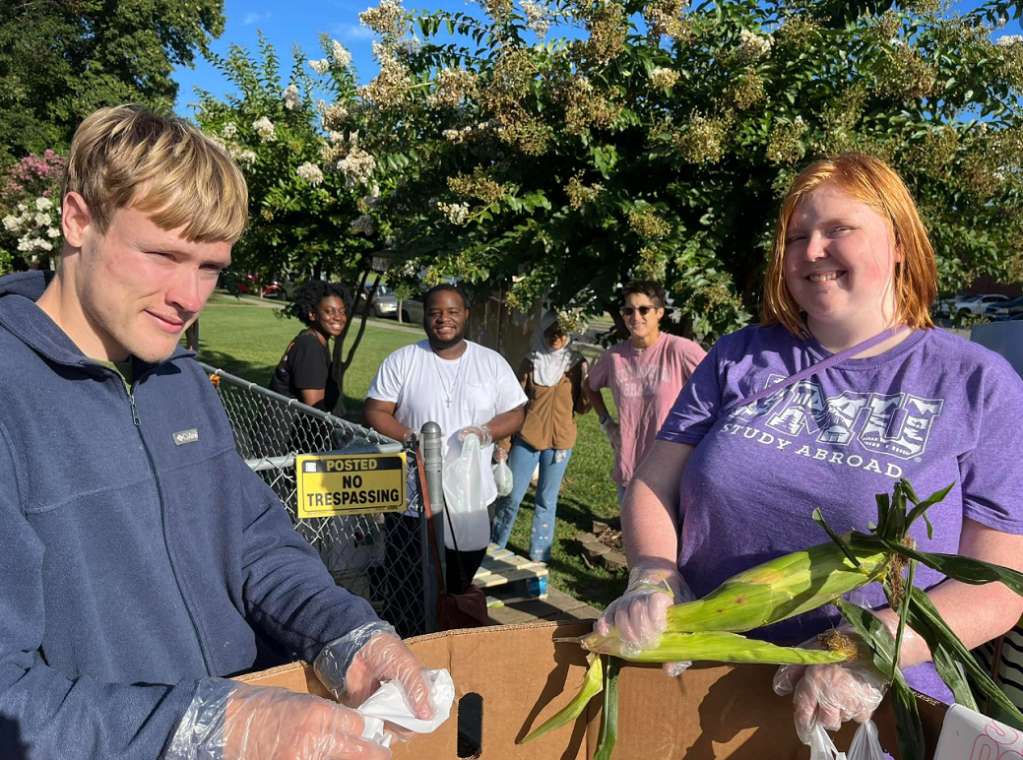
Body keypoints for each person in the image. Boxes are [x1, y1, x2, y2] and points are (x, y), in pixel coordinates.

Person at [0, 105, 434, 760]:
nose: (190, 297)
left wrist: (347, 635)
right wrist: (205, 727)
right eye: (163, 255)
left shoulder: (180, 376)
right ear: (78, 220)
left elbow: (251, 542)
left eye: (210, 266)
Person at [595, 153, 1023, 744]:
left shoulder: (977, 383)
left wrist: (870, 647)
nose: (811, 251)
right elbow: (653, 481)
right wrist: (653, 573)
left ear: (900, 243)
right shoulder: (739, 356)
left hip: (867, 712)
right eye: (796, 237)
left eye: (837, 229)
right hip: (699, 688)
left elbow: (999, 581)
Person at [363, 283, 526, 592]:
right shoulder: (403, 360)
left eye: (452, 311)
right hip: (414, 497)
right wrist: (411, 437)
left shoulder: (490, 362)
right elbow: (375, 410)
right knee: (409, 585)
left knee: (459, 582)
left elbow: (516, 412)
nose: (443, 319)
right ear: (425, 316)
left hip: (473, 497)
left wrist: (486, 431)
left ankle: (451, 617)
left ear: (466, 315)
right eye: (435, 312)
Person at [584, 279, 706, 503]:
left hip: (669, 470)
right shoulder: (614, 357)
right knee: (629, 524)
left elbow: (715, 386)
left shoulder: (679, 350)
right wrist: (606, 423)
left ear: (659, 312)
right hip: (628, 465)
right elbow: (589, 386)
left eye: (643, 309)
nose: (636, 316)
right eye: (629, 310)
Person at [491, 311, 591, 563]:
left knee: (547, 501)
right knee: (511, 496)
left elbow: (582, 408)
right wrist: (503, 444)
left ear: (569, 335)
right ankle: (493, 547)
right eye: (549, 332)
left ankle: (539, 556)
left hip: (560, 443)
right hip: (527, 439)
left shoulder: (576, 365)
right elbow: (512, 405)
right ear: (541, 334)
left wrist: (589, 385)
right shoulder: (531, 362)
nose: (555, 337)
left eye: (561, 332)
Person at [269, 279, 347, 411]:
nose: (338, 317)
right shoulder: (310, 348)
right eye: (329, 311)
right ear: (312, 314)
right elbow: (315, 411)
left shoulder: (308, 340)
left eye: (342, 312)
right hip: (287, 424)